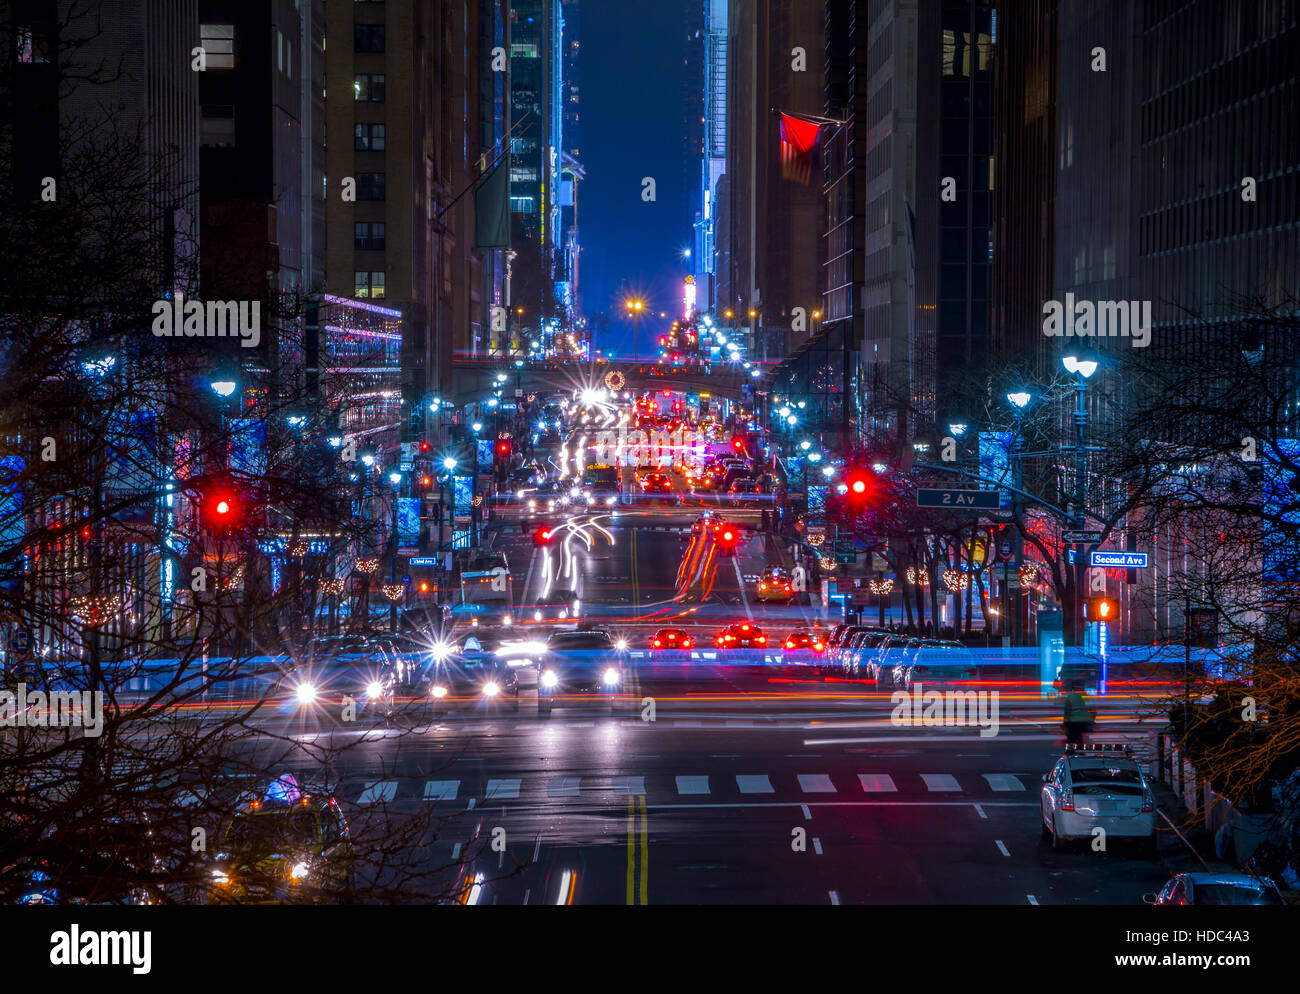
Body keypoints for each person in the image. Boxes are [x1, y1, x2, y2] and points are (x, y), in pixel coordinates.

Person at [1062, 680, 1093, 745]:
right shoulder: (1085, 697)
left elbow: (1067, 713)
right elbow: (1092, 709)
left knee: (1071, 740)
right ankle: (1080, 751)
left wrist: (1064, 724)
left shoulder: (1070, 697)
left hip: (1074, 722)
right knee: (1080, 739)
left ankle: (1071, 751)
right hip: (1085, 722)